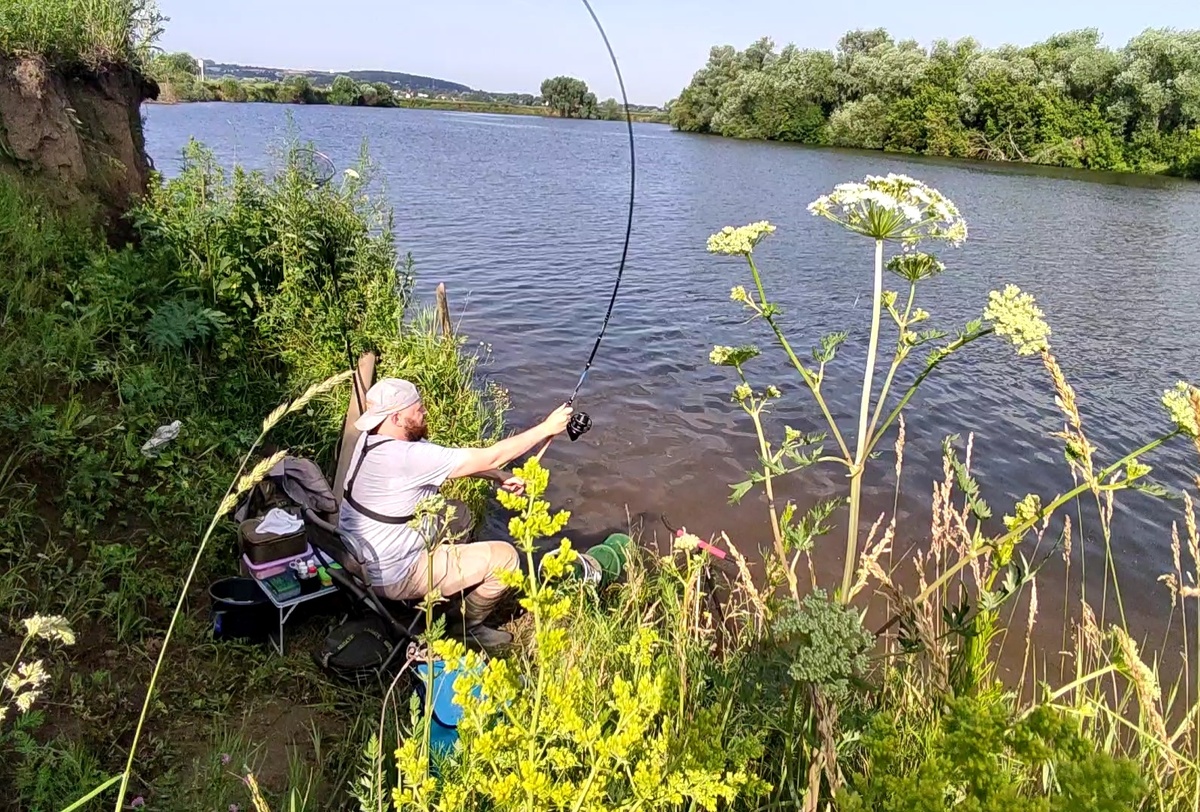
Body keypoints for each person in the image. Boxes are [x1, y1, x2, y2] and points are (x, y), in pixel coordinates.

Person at [339, 377, 573, 649]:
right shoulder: (407, 458)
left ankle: (451, 586)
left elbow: (462, 465)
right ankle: (465, 627)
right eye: (418, 409)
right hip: (393, 575)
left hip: (360, 559)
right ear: (397, 417)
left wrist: (497, 476)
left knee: (459, 513)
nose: (425, 412)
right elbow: (491, 455)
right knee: (506, 558)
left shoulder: (371, 440)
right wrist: (546, 428)